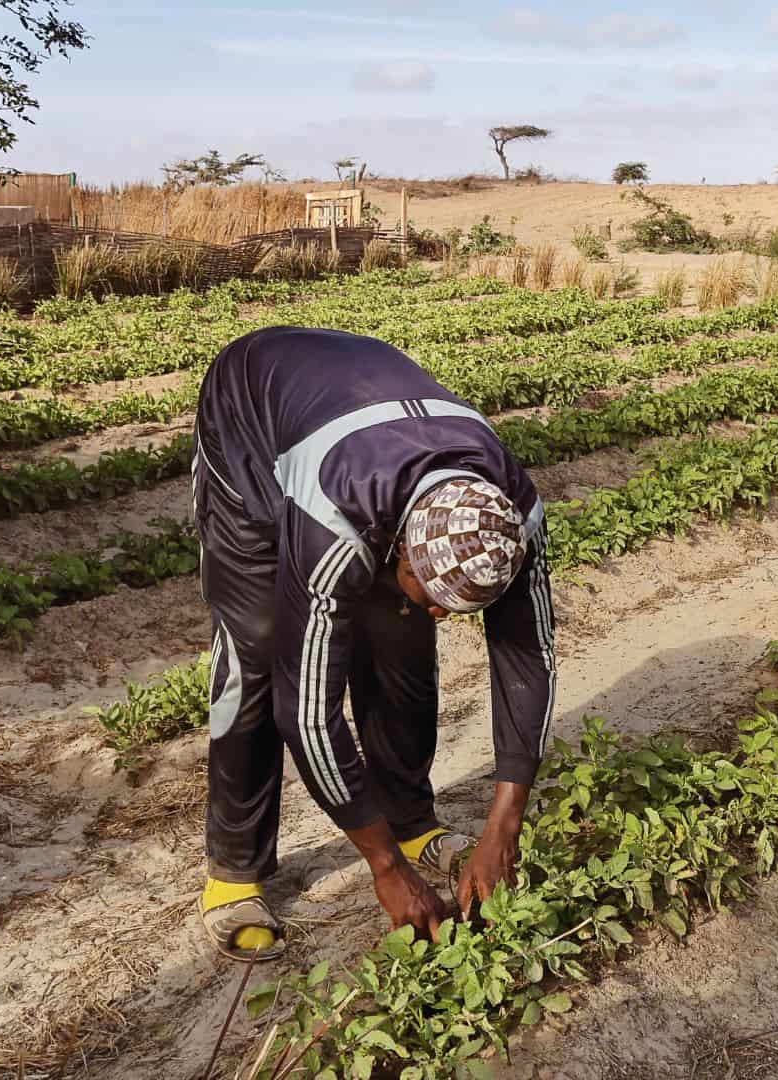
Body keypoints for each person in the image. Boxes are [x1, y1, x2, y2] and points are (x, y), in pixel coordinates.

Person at [190, 325, 556, 961]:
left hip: (360, 404)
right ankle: (235, 870)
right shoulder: (338, 516)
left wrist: (505, 825)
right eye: (435, 596)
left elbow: (530, 660)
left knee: (401, 632)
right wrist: (386, 872)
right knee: (260, 649)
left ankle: (410, 819)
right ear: (402, 551)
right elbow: (306, 714)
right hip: (251, 421)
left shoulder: (512, 522)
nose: (443, 615)